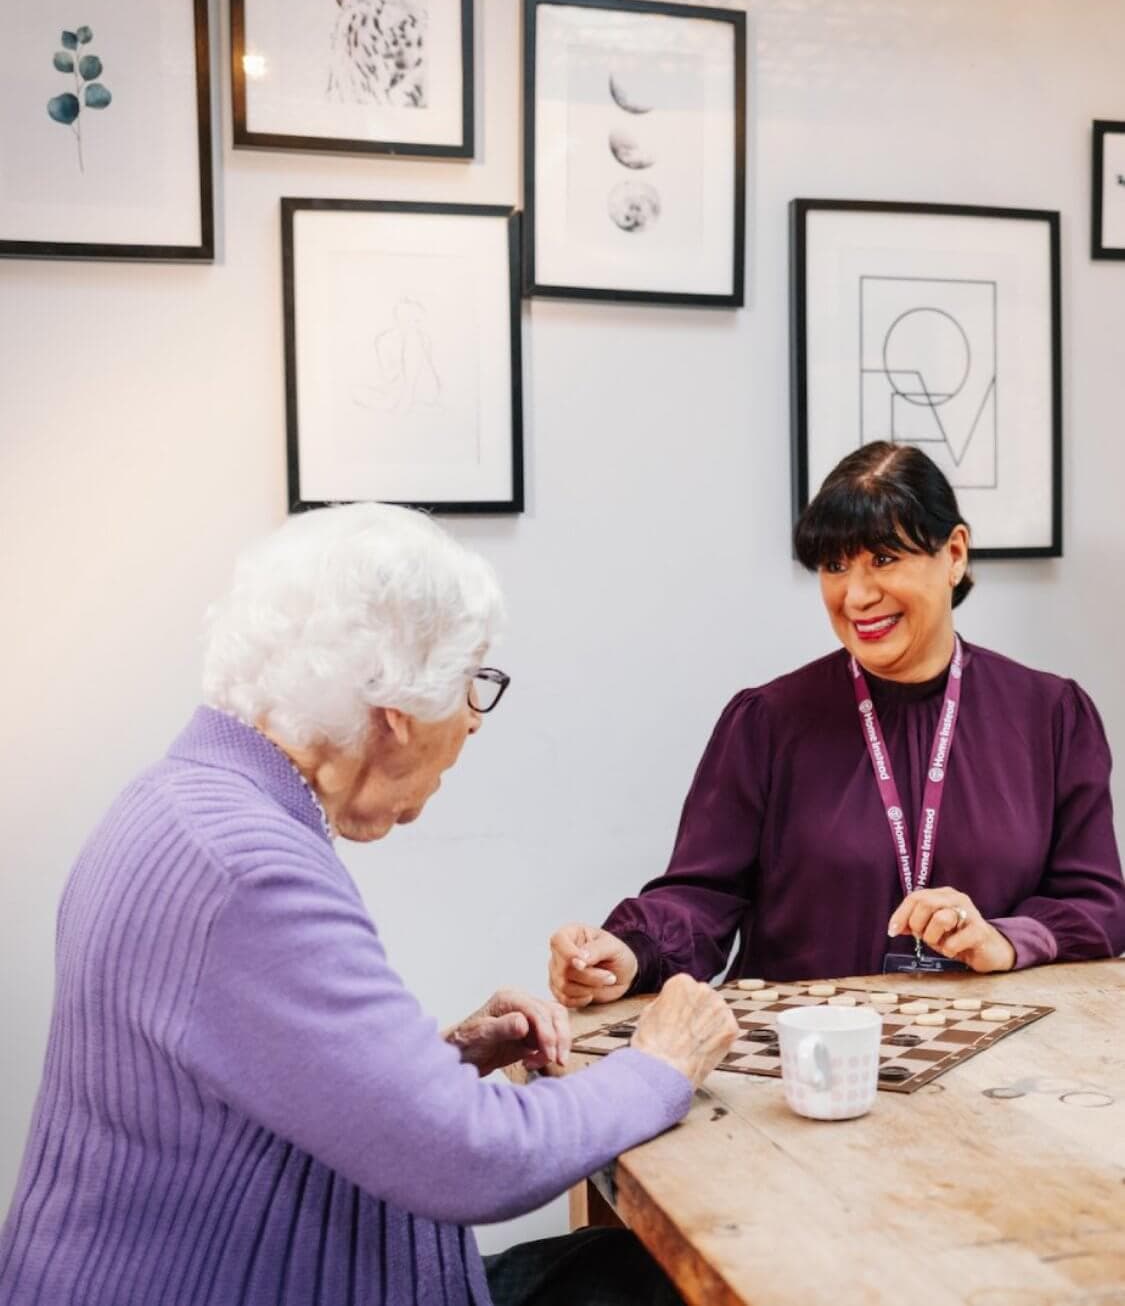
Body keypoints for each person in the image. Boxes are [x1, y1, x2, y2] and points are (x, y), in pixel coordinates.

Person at [0, 503, 737, 1306]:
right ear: (398, 711)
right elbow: (470, 1160)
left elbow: (263, 1080)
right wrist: (657, 1066)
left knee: (614, 1272)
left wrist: (444, 1058)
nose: (471, 723)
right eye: (470, 684)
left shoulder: (181, 804)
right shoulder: (249, 871)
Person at [549, 442, 1125, 1008]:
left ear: (954, 554)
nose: (856, 595)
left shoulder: (1052, 716)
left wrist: (1005, 938)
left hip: (997, 1071)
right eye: (834, 565)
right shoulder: (767, 722)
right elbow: (702, 895)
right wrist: (629, 949)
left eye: (883, 558)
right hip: (799, 1066)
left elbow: (1098, 905)